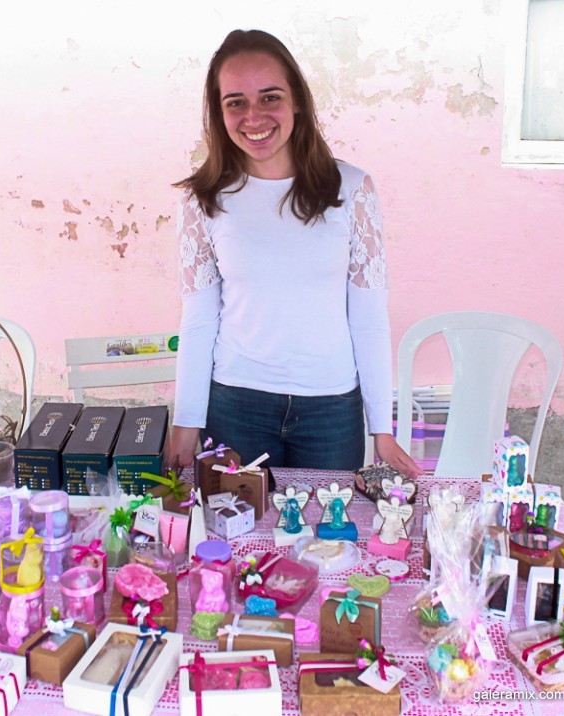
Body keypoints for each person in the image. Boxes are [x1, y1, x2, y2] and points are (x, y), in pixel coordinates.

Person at [166, 29, 420, 479]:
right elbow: (199, 318)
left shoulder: (352, 189)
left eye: (270, 97)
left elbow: (368, 316)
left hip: (331, 411)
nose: (254, 116)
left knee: (331, 526)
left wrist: (382, 427)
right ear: (219, 112)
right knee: (234, 526)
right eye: (236, 102)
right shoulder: (204, 198)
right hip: (235, 404)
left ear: (297, 100)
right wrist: (187, 421)